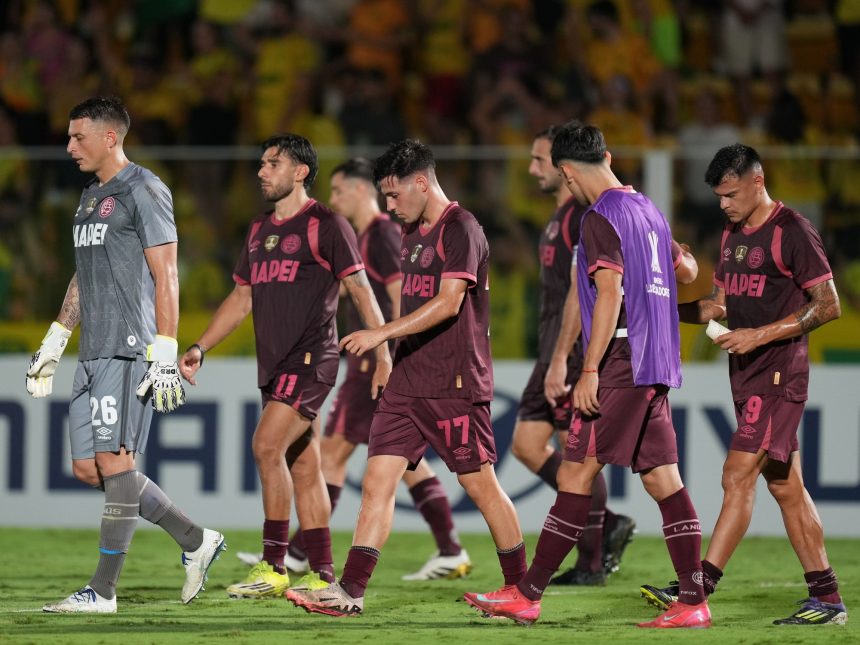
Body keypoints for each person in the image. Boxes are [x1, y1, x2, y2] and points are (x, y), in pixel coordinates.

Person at [465, 122, 709, 628]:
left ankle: (527, 594)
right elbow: (686, 271)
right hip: (659, 358)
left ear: (568, 172)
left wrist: (590, 368)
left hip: (621, 359)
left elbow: (610, 293)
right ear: (608, 156)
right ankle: (693, 602)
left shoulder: (598, 217)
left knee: (575, 473)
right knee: (663, 479)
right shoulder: (647, 208)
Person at [286, 139, 527, 617]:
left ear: (421, 182)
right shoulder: (411, 232)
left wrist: (381, 334)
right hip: (406, 382)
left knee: (480, 485)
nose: (390, 205)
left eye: (394, 195)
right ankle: (350, 592)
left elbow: (450, 303)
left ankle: (521, 589)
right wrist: (389, 358)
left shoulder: (461, 228)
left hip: (454, 382)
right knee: (377, 483)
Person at [30, 96, 225, 614]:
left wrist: (164, 350)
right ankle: (196, 540)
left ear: (110, 137)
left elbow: (167, 272)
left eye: (78, 137)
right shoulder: (90, 196)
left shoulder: (145, 188)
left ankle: (102, 590)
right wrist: (57, 337)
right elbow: (84, 273)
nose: (69, 147)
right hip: (92, 350)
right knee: (88, 469)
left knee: (117, 465)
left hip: (128, 347)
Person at [640, 144, 848, 626]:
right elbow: (719, 305)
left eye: (731, 194)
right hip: (748, 375)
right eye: (719, 196)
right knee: (786, 486)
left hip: (779, 372)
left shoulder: (792, 230)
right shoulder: (732, 234)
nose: (723, 204)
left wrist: (760, 334)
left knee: (736, 475)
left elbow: (829, 304)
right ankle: (827, 599)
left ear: (758, 181)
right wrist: (660, 308)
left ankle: (696, 590)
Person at [179, 134, 391, 598]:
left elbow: (360, 290)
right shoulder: (259, 230)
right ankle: (322, 573)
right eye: (261, 163)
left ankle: (273, 564)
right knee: (304, 466)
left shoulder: (327, 224)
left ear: (300, 172)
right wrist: (201, 346)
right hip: (274, 365)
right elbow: (241, 299)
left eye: (272, 163)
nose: (261, 171)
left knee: (265, 445)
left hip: (312, 358)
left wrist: (382, 352)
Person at [283, 157, 471, 581]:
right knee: (403, 463)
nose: (333, 199)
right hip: (376, 358)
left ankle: (298, 553)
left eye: (338, 190)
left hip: (375, 361)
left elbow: (403, 293)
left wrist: (390, 351)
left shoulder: (383, 235)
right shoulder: (372, 236)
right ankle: (450, 548)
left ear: (360, 190)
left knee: (334, 453)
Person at [512, 125, 635, 586]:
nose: (533, 169)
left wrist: (564, 357)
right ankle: (607, 523)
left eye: (539, 160)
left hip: (568, 352)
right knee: (527, 446)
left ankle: (591, 560)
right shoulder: (558, 218)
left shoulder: (581, 218)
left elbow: (579, 293)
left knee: (577, 459)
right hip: (551, 350)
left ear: (565, 167)